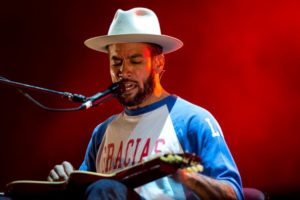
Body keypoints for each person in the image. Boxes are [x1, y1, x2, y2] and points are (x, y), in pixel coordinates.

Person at [47, 7, 244, 200]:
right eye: (116, 62)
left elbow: (234, 194)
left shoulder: (193, 121)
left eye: (135, 60)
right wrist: (66, 181)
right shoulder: (103, 132)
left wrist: (185, 176)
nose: (123, 72)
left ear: (158, 63)